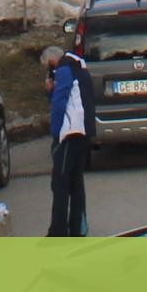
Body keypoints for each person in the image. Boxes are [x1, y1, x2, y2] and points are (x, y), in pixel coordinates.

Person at [42, 43, 92, 238]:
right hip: (84, 131)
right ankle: (78, 227)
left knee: (60, 183)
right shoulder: (79, 65)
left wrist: (55, 134)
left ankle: (58, 232)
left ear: (52, 61)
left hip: (69, 134)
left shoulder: (63, 70)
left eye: (49, 67)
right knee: (76, 182)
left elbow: (60, 101)